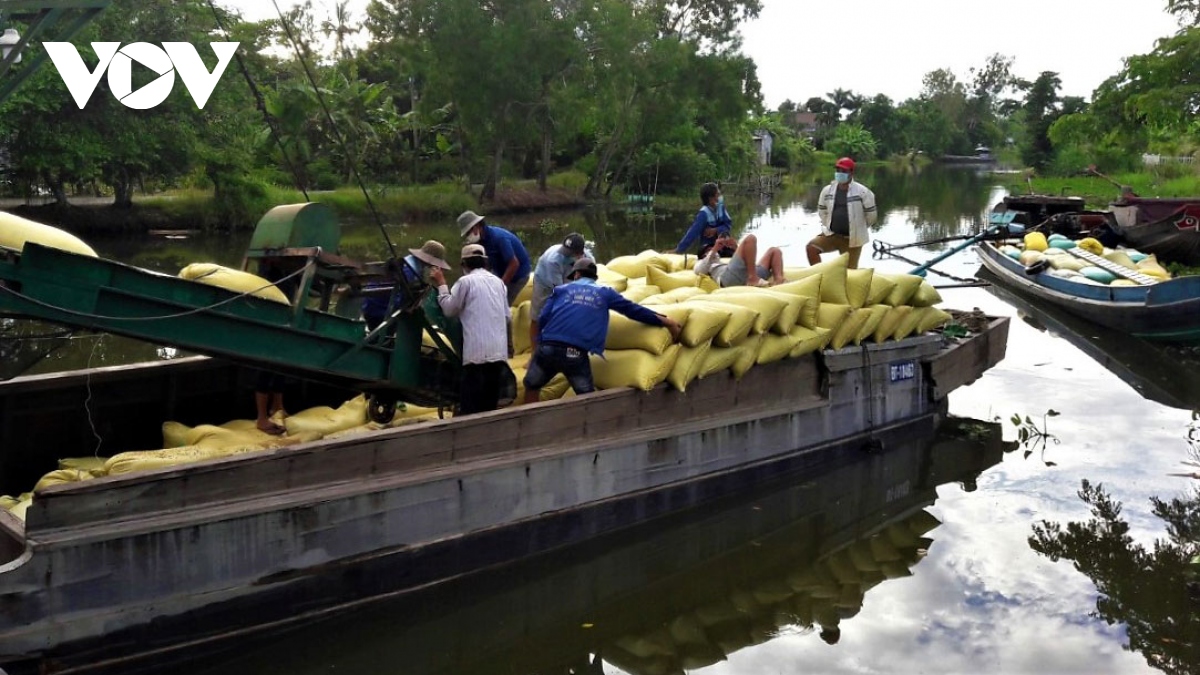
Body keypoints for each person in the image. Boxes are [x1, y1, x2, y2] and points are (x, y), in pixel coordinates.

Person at [524, 258, 682, 403]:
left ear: (577, 274)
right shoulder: (605, 293)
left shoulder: (561, 291)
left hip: (548, 347)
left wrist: (537, 348)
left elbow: (543, 318)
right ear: (594, 277)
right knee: (586, 398)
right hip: (574, 353)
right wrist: (667, 322)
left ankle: (527, 425)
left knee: (532, 385)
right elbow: (633, 311)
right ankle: (589, 430)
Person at [430, 244, 512, 415]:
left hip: (475, 355)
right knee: (489, 406)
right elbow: (507, 316)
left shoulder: (465, 282)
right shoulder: (499, 283)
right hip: (498, 353)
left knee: (470, 406)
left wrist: (441, 284)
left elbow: (449, 310)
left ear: (464, 265)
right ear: (485, 262)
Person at [361, 240, 451, 331]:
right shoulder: (410, 272)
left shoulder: (407, 262)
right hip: (379, 314)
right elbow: (399, 301)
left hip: (368, 308)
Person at [807, 157, 877, 269]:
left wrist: (859, 227)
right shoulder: (827, 190)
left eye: (844, 171)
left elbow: (871, 216)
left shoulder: (863, 192)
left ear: (851, 173)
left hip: (852, 239)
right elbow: (822, 210)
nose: (840, 173)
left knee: (849, 273)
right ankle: (820, 277)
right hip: (832, 235)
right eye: (838, 170)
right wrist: (829, 224)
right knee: (811, 248)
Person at [458, 210, 531, 306]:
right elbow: (485, 264)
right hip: (500, 270)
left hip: (518, 275)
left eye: (468, 233)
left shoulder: (499, 238)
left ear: (476, 227)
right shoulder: (480, 241)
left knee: (502, 304)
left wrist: (500, 286)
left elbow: (514, 263)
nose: (468, 237)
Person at [529, 232, 588, 350]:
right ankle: (534, 354)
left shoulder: (588, 260)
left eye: (569, 253)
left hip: (568, 277)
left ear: (579, 254)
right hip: (544, 282)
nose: (565, 254)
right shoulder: (553, 260)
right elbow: (559, 290)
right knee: (537, 318)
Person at [694, 233, 784, 287]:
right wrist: (714, 250)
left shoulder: (721, 262)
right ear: (703, 255)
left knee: (774, 251)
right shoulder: (700, 263)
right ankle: (752, 279)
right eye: (709, 250)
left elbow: (742, 260)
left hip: (743, 274)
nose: (714, 250)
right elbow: (700, 270)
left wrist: (735, 247)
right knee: (750, 238)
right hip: (728, 279)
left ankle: (779, 280)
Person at [674, 182, 736, 258]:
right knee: (709, 253)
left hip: (722, 245)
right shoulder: (703, 214)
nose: (720, 197)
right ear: (711, 198)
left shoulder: (721, 208)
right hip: (708, 247)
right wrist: (679, 249)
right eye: (717, 194)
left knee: (733, 248)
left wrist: (716, 230)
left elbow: (728, 225)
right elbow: (692, 233)